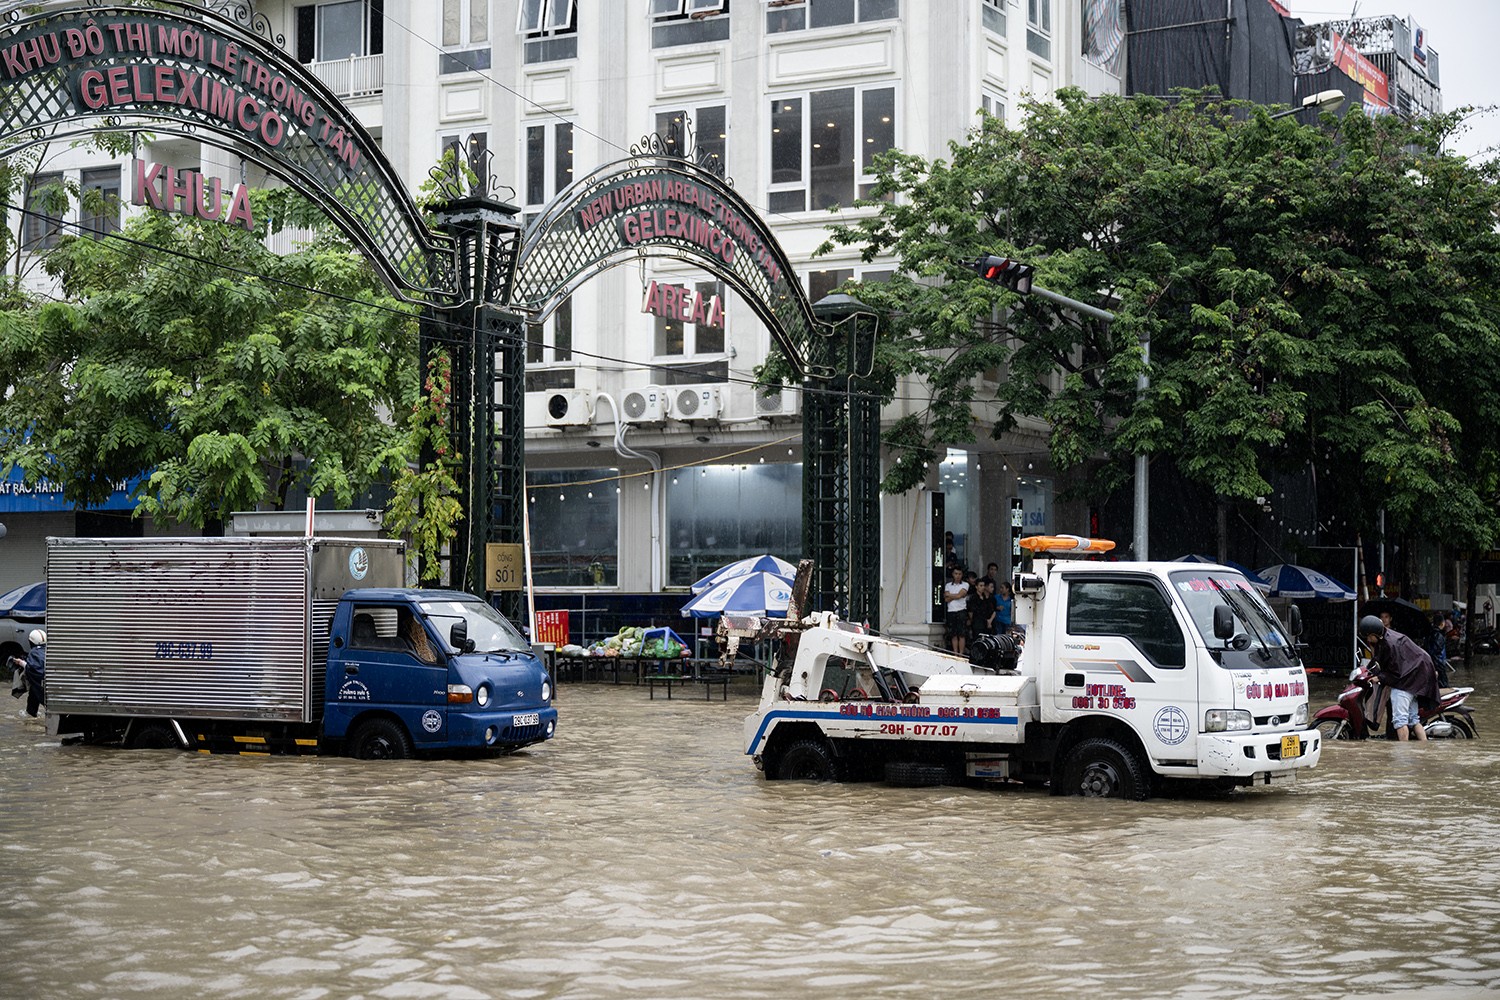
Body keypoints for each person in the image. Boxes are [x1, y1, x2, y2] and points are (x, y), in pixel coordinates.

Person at [1358, 615, 1439, 742]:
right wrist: (1368, 670)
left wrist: (1378, 677)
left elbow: (1395, 673)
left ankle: (1403, 753)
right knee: (1413, 719)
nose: (1368, 639)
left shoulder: (1390, 644)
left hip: (1406, 681)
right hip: (1417, 678)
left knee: (1400, 720)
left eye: (1369, 636)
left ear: (1375, 633)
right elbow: (1379, 660)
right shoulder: (1385, 638)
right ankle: (1425, 748)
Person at [8, 628, 46, 720]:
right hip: (51, 687)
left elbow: (34, 670)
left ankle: (31, 715)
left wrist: (21, 663)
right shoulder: (48, 651)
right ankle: (31, 714)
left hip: (43, 687)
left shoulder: (34, 653)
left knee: (34, 690)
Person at [942, 565, 970, 656]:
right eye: (956, 574)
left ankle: (961, 653)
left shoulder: (965, 584)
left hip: (961, 610)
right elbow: (947, 599)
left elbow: (959, 595)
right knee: (953, 633)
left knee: (961, 633)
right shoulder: (948, 585)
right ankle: (955, 653)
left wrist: (951, 595)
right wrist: (957, 595)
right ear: (953, 574)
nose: (957, 576)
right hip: (951, 611)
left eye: (959, 574)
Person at [970, 577, 995, 642]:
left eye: (983, 585)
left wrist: (989, 621)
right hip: (977, 621)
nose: (982, 587)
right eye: (980, 586)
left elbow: (991, 609)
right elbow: (971, 611)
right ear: (976, 586)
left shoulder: (985, 597)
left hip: (985, 622)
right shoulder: (973, 597)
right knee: (977, 639)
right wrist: (971, 620)